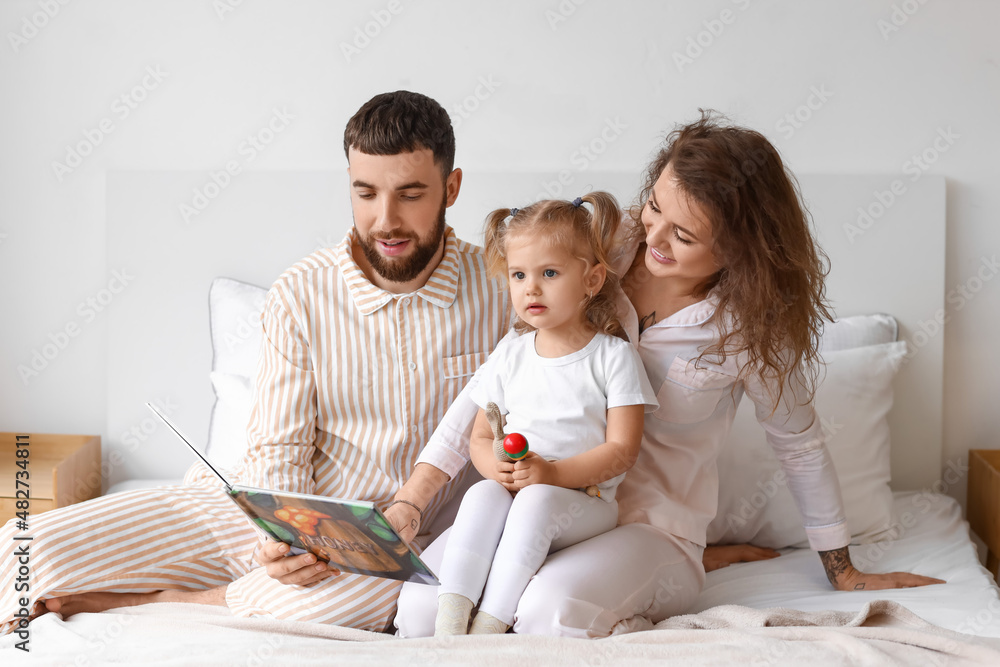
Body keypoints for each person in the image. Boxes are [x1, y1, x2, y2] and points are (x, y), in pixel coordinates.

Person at [394, 111, 944, 638]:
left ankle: (679, 572)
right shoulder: (603, 247)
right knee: (419, 612)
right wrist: (412, 503)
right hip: (535, 505)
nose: (654, 236)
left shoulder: (752, 328)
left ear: (738, 249)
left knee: (548, 612)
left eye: (684, 236)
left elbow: (799, 445)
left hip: (650, 530)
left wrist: (842, 569)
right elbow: (492, 383)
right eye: (655, 206)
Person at [0, 90, 510, 634]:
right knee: (24, 546)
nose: (385, 220)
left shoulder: (506, 288)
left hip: (392, 545)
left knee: (327, 608)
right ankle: (236, 580)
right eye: (365, 193)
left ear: (451, 188)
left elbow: (592, 306)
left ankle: (175, 599)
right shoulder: (302, 291)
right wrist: (277, 537)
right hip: (273, 514)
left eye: (410, 195)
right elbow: (278, 447)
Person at [432, 193, 658, 636]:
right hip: (518, 489)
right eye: (519, 275)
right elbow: (479, 437)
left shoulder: (613, 357)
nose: (530, 288)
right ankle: (450, 627)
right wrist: (494, 466)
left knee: (535, 500)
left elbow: (622, 450)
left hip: (585, 500)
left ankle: (489, 628)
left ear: (591, 279)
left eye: (549, 273)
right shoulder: (510, 354)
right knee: (478, 496)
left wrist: (550, 476)